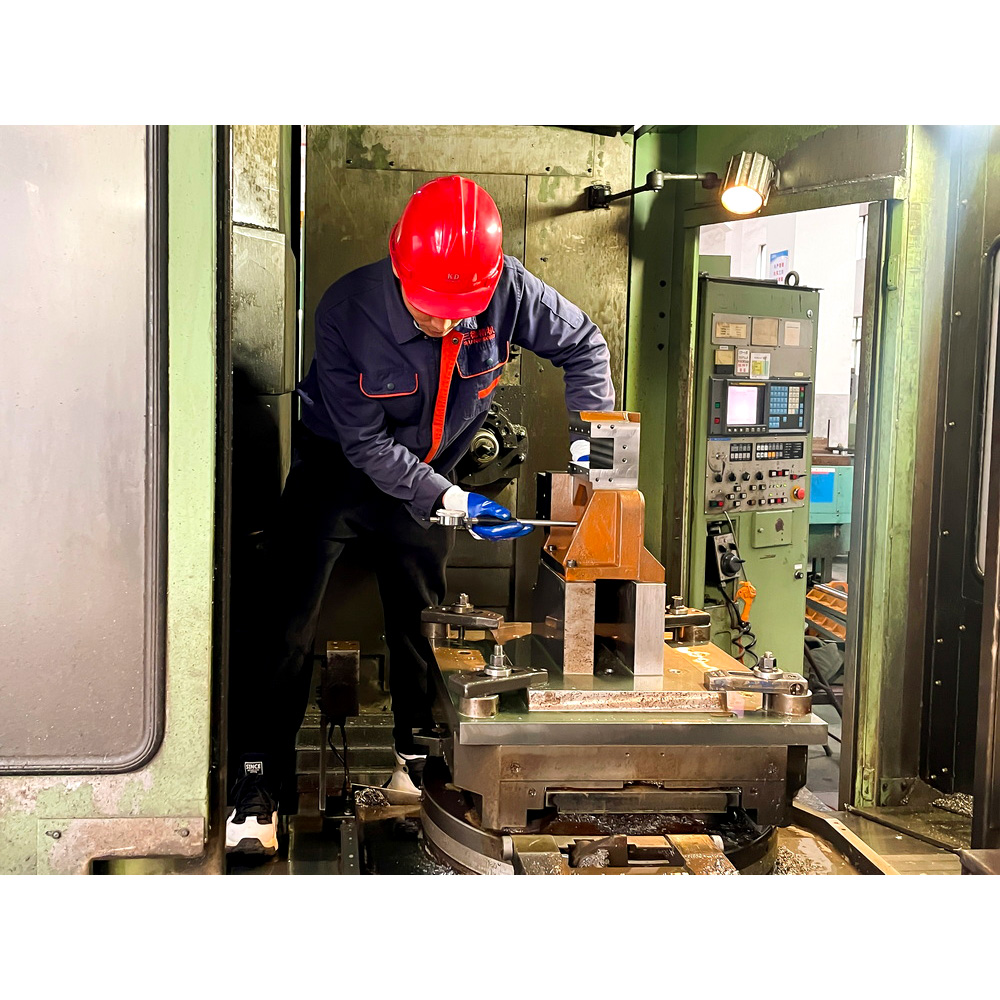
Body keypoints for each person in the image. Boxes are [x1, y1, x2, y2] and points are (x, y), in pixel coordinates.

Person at [225, 174, 614, 854]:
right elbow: (364, 443)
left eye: (460, 313)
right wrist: (449, 499)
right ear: (399, 266)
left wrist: (596, 454)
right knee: (285, 622)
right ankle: (258, 782)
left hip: (433, 475)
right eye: (430, 311)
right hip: (339, 471)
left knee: (422, 622)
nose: (446, 325)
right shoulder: (347, 308)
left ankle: (415, 758)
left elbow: (584, 345)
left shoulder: (508, 289)